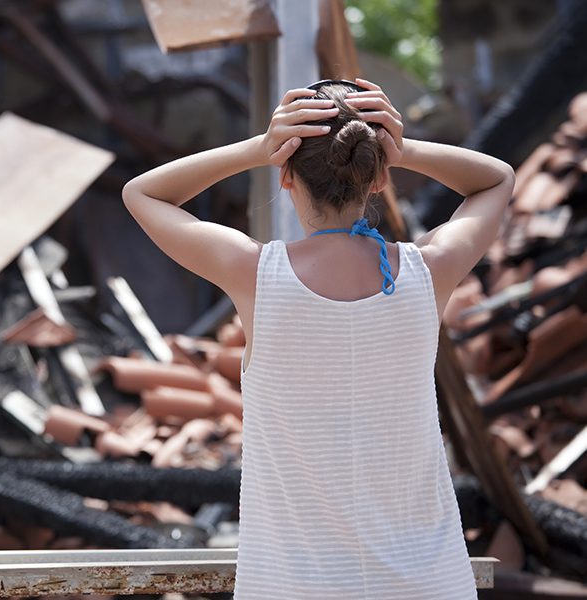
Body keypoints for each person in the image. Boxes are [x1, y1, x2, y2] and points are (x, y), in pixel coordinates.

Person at [121, 77, 514, 599]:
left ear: (285, 175)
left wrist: (255, 148)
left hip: (292, 587)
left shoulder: (255, 274)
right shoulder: (428, 271)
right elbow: (497, 180)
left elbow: (142, 192)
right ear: (377, 177)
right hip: (428, 582)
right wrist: (406, 148)